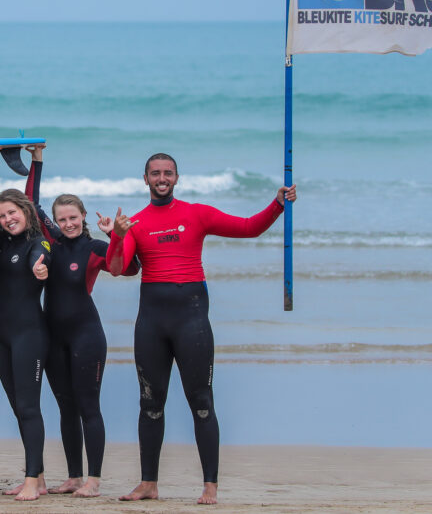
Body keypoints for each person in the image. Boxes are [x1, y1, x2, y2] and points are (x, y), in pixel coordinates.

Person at [105, 153, 297, 506]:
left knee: (202, 403)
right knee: (150, 403)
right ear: (144, 179)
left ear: (177, 178)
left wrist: (277, 204)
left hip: (191, 319)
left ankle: (210, 485)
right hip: (151, 322)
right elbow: (116, 268)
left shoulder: (197, 214)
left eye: (168, 173)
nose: (162, 178)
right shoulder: (135, 223)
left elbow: (248, 227)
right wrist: (117, 238)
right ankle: (149, 483)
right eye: (155, 173)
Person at [24, 146, 137, 497]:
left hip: (87, 336)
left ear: (84, 216)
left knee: (89, 406)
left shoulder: (95, 247)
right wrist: (37, 161)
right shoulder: (51, 243)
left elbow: (122, 268)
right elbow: (30, 202)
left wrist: (117, 235)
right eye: (63, 219)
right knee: (65, 407)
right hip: (53, 337)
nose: (68, 223)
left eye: (74, 217)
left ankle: (94, 479)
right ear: (56, 221)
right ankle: (73, 476)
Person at [0, 187, 51, 501]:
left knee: (29, 408)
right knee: (18, 407)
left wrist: (40, 271)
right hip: (1, 336)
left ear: (26, 211)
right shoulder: (2, 242)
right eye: (1, 215)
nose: (7, 219)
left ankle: (31, 480)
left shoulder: (37, 243)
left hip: (30, 336)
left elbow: (40, 262)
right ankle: (38, 477)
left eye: (12, 212)